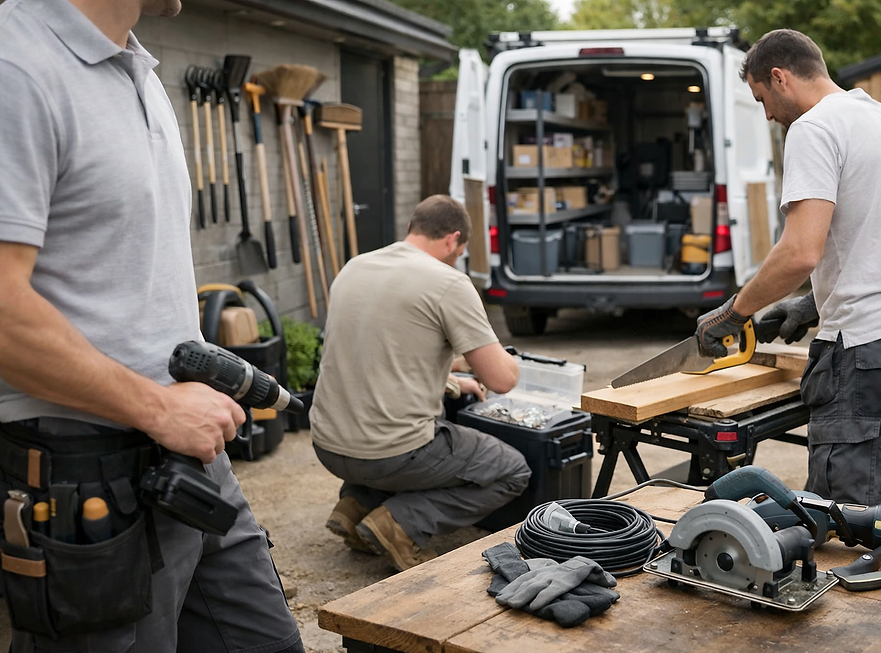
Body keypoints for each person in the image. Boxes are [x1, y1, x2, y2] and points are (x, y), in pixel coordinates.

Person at [0, 1, 304, 651]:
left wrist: (174, 413)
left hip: (184, 453)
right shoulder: (15, 64)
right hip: (80, 474)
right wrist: (157, 409)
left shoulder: (140, 70)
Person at [693, 29, 881, 531]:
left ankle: (878, 614)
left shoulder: (814, 128)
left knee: (859, 522)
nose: (768, 115)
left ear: (779, 77)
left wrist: (736, 312)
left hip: (874, 351)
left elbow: (799, 252)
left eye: (762, 99)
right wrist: (811, 306)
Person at [311, 195, 532, 572]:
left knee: (396, 439)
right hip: (389, 454)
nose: (456, 260)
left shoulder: (355, 266)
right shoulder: (447, 282)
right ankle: (398, 524)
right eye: (459, 253)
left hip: (328, 446)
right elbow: (501, 378)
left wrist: (450, 380)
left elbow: (382, 352)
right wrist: (506, 358)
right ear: (453, 240)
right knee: (512, 470)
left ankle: (354, 505)